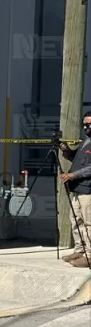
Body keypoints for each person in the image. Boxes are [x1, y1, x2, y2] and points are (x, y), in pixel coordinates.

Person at [56, 111, 91, 267]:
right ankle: (80, 249)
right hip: (77, 188)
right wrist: (64, 148)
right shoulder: (86, 141)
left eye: (89, 124)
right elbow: (75, 158)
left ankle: (89, 255)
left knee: (89, 222)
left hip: (88, 190)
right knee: (75, 220)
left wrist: (72, 175)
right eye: (85, 124)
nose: (86, 127)